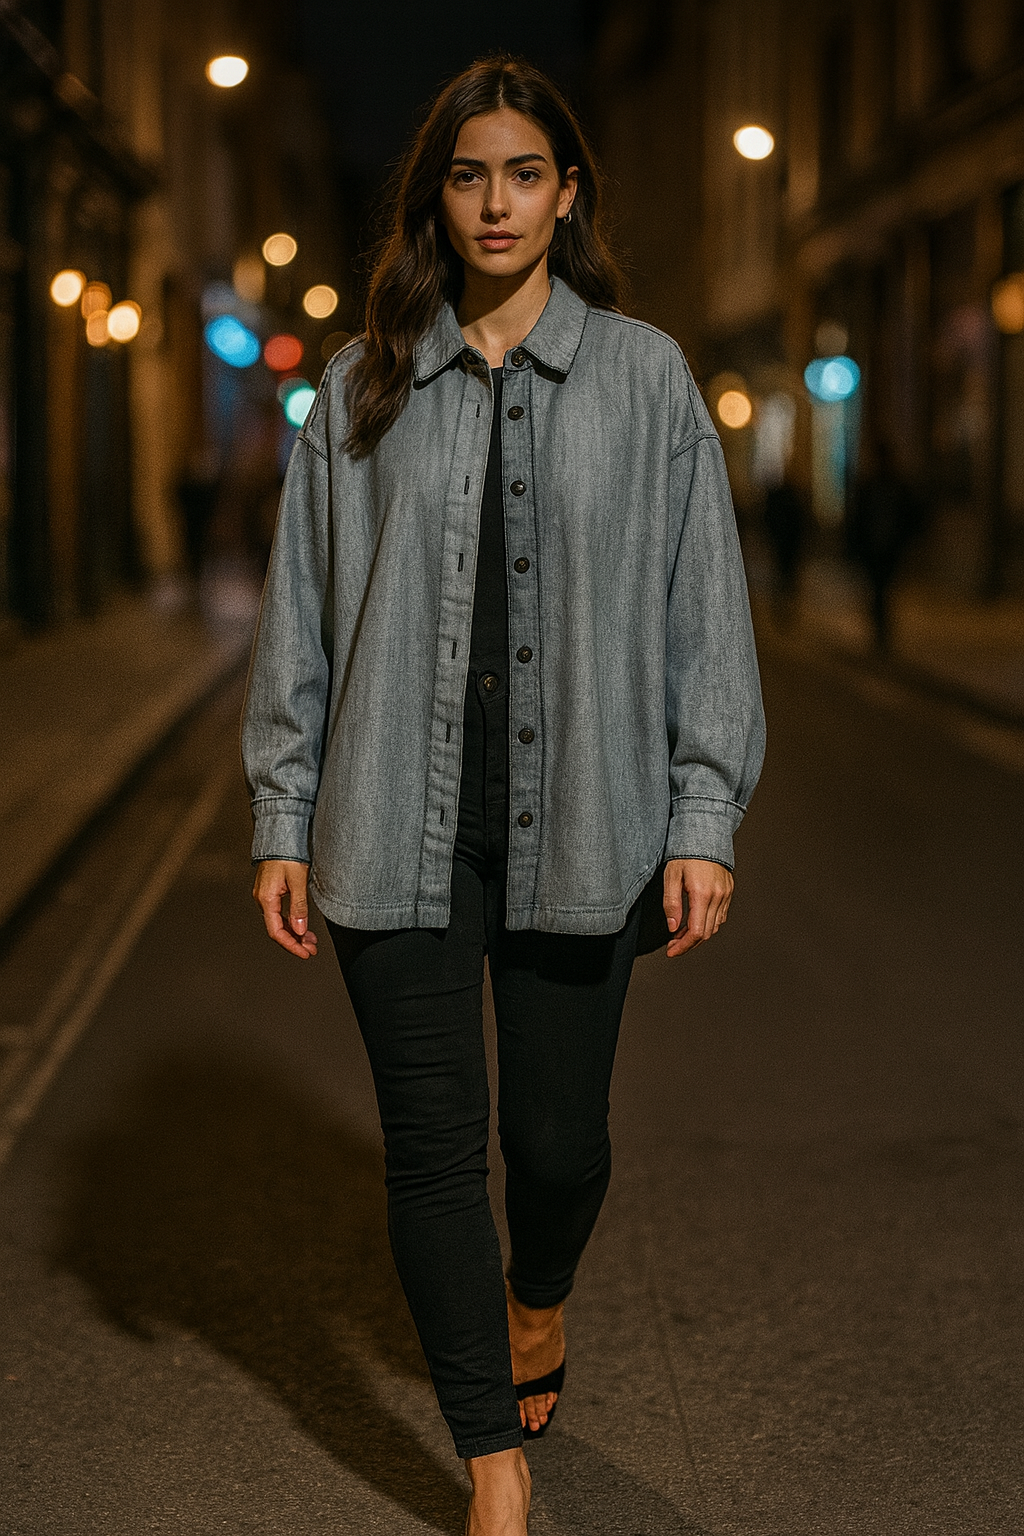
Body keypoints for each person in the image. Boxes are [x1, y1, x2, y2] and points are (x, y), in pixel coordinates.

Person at [241, 55, 765, 1536]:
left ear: (567, 195)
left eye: (524, 173)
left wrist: (703, 817)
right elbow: (302, 614)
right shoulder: (358, 384)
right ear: (435, 196)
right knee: (429, 1146)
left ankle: (542, 1298)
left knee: (556, 1146)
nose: (495, 202)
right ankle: (493, 1458)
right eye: (468, 174)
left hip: (588, 824)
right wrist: (283, 810)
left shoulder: (649, 378)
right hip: (387, 828)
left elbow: (701, 617)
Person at [847, 442, 922, 651]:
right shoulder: (871, 486)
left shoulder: (894, 487)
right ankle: (880, 630)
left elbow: (911, 516)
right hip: (874, 547)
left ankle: (881, 630)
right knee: (878, 589)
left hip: (888, 546)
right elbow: (858, 520)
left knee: (882, 589)